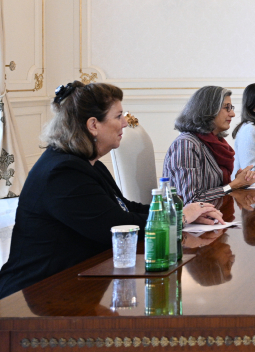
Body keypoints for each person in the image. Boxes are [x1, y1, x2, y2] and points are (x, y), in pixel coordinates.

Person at [0, 81, 222, 300]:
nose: (125, 123)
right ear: (93, 125)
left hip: (71, 285)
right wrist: (180, 217)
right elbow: (117, 226)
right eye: (118, 116)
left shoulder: (86, 163)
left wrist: (183, 211)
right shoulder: (62, 173)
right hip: (37, 294)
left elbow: (125, 208)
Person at [163, 86, 255, 204]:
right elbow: (191, 200)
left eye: (231, 108)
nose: (232, 114)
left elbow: (214, 190)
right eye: (227, 108)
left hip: (214, 212)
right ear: (208, 110)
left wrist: (240, 182)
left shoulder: (215, 142)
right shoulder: (186, 145)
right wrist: (234, 184)